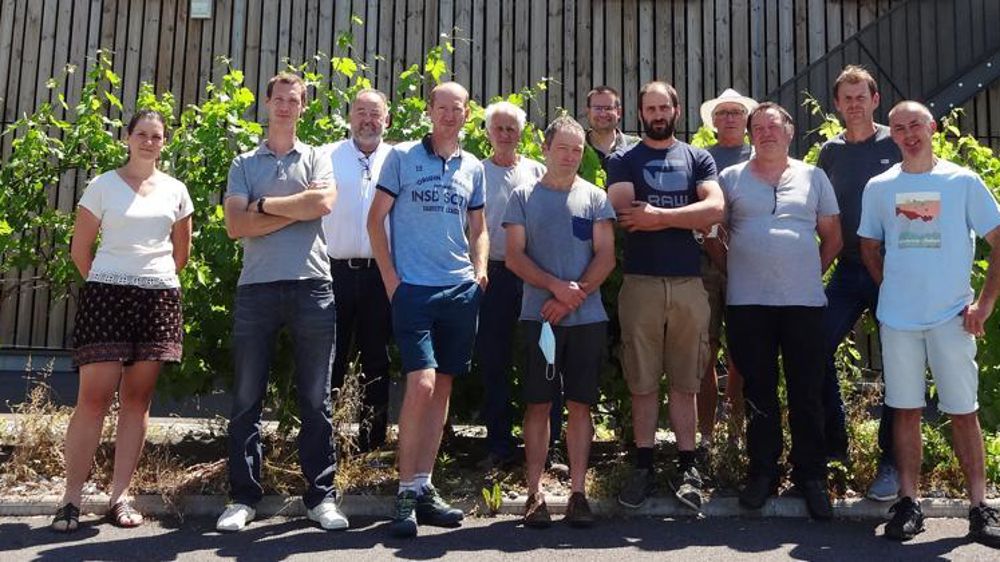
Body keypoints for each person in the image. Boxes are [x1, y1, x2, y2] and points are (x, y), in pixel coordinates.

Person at [859, 101, 1000, 546]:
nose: (908, 134)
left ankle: (979, 507)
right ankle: (908, 503)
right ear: (893, 136)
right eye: (899, 128)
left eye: (915, 124)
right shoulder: (880, 187)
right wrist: (893, 289)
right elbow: (868, 246)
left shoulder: (963, 181)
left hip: (952, 318)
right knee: (905, 410)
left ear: (932, 127)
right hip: (898, 321)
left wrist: (984, 304)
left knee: (963, 412)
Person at [216, 73, 346, 533]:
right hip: (258, 288)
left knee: (315, 399)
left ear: (302, 108)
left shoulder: (316, 157)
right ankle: (243, 498)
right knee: (247, 397)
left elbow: (322, 205)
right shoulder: (243, 162)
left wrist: (264, 207)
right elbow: (235, 226)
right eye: (279, 99)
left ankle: (321, 498)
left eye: (295, 100)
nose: (286, 106)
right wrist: (295, 207)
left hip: (312, 285)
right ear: (267, 103)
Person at [52, 109, 193, 532]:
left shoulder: (176, 190)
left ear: (164, 143)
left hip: (157, 298)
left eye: (157, 136)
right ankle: (70, 500)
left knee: (137, 402)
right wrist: (108, 282)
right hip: (106, 297)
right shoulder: (102, 186)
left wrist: (151, 282)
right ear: (127, 137)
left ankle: (120, 498)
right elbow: (81, 250)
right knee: (92, 400)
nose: (149, 141)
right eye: (142, 134)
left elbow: (180, 253)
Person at [368, 81, 488, 538]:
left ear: (465, 113)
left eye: (458, 108)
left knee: (443, 391)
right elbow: (374, 219)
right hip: (413, 290)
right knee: (421, 384)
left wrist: (478, 271)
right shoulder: (401, 158)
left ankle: (423, 486)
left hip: (459, 290)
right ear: (430, 111)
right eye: (443, 108)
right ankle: (402, 492)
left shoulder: (471, 165)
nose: (450, 115)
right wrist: (391, 281)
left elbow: (479, 226)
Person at [713, 102, 842, 520]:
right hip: (748, 304)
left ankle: (811, 477)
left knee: (807, 392)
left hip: (804, 304)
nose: (766, 133)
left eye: (774, 126)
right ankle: (763, 472)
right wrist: (735, 267)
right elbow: (715, 235)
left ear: (790, 132)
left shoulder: (814, 176)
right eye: (759, 128)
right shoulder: (730, 178)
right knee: (758, 392)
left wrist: (805, 271)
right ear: (751, 135)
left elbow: (833, 238)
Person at [608, 81, 724, 511]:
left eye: (664, 107)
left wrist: (658, 216)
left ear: (677, 110)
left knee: (685, 381)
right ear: (641, 113)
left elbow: (714, 210)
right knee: (641, 381)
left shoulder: (698, 157)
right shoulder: (624, 159)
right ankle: (643, 465)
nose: (657, 114)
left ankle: (687, 466)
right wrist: (682, 219)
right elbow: (625, 214)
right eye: (650, 108)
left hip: (688, 282)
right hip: (640, 282)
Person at [504, 115, 616, 528]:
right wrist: (555, 289)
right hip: (539, 318)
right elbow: (515, 256)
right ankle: (535, 494)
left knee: (580, 405)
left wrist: (574, 296)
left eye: (577, 150)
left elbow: (606, 256)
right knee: (538, 404)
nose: (570, 157)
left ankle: (578, 494)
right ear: (546, 149)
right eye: (563, 148)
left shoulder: (595, 197)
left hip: (586, 319)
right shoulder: (522, 196)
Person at [817, 65, 902, 501]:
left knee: (899, 364)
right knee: (815, 347)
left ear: (875, 100)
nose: (853, 104)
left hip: (894, 270)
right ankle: (836, 448)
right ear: (836, 105)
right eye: (845, 98)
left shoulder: (897, 141)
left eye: (860, 96)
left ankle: (890, 462)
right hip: (850, 269)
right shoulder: (829, 153)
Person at [474, 100, 547, 471]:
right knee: (494, 361)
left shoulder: (537, 171)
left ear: (521, 133)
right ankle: (500, 445)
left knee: (544, 359)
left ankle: (546, 450)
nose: (504, 135)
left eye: (511, 129)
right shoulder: (475, 172)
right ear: (487, 132)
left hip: (535, 277)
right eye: (498, 128)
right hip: (493, 279)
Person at [321, 89, 394, 454]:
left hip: (381, 274)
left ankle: (371, 445)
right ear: (350, 117)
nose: (368, 120)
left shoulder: (398, 159)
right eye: (361, 112)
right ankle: (325, 443)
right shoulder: (326, 156)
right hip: (332, 272)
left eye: (375, 114)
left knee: (377, 359)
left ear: (387, 120)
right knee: (329, 358)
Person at [696, 88, 757, 445]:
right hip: (705, 264)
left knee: (742, 353)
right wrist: (720, 254)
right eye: (723, 113)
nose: (730, 118)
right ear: (714, 121)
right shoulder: (702, 159)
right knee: (705, 349)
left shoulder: (759, 154)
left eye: (736, 112)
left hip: (750, 264)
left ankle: (736, 434)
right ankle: (705, 436)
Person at [585, 85, 639, 164]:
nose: (603, 114)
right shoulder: (576, 148)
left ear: (618, 112)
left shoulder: (636, 147)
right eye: (598, 108)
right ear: (588, 112)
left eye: (609, 108)